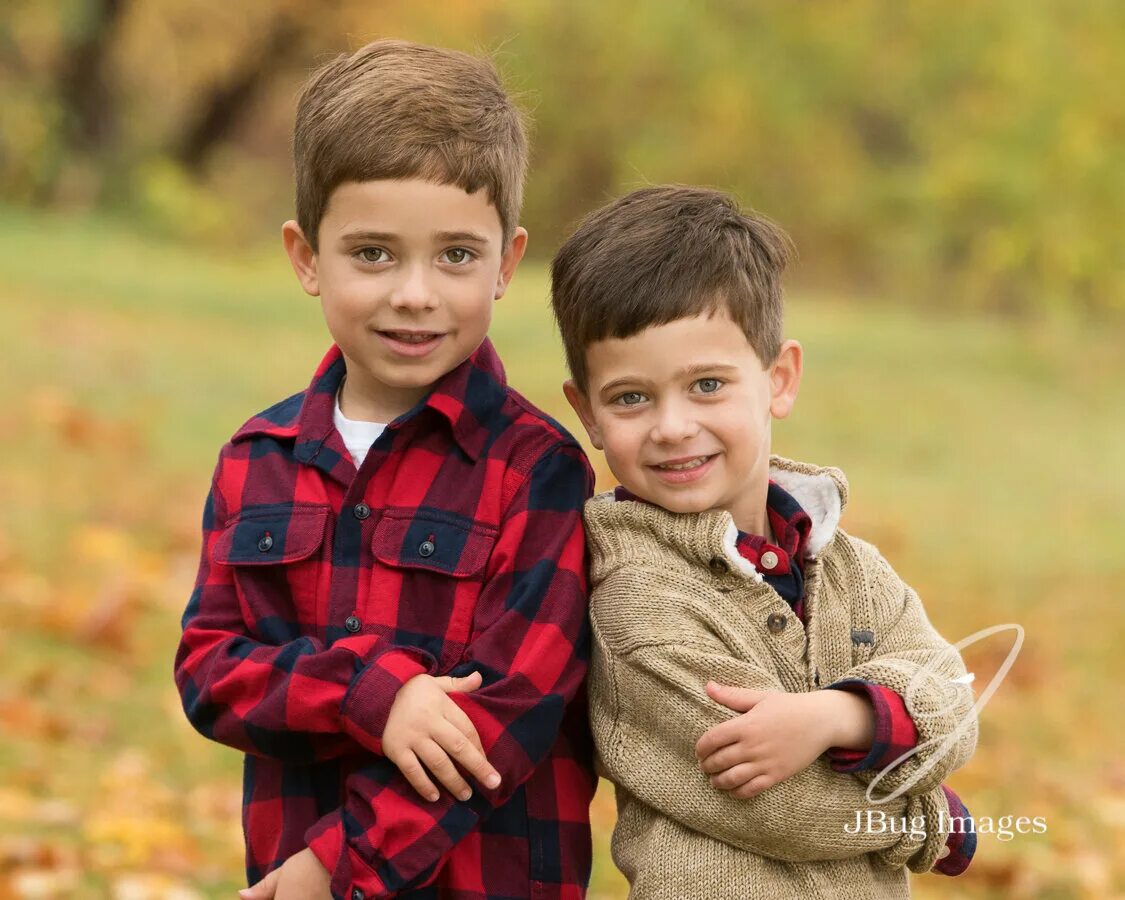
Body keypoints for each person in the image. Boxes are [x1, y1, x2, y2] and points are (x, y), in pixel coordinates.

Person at [173, 40, 596, 900]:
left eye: (455, 256)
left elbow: (509, 718)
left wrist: (335, 867)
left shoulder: (538, 470)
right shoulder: (258, 461)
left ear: (507, 262)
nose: (414, 293)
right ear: (305, 257)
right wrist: (369, 694)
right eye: (372, 254)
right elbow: (211, 670)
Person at [549, 185, 978, 898]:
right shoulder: (634, 597)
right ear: (587, 413)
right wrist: (928, 823)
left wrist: (838, 714)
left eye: (707, 385)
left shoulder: (849, 568)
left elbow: (954, 698)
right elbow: (776, 805)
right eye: (630, 397)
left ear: (778, 380)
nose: (671, 427)